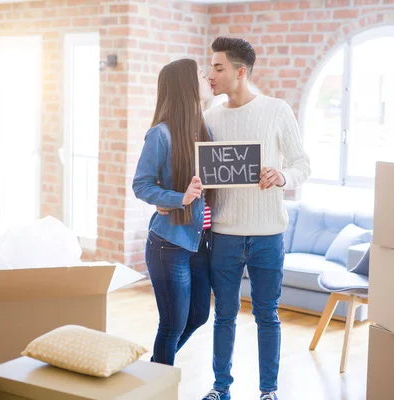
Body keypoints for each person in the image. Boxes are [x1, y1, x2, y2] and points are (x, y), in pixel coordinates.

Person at [200, 37, 311, 400]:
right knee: (225, 316)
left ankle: (268, 391)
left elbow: (301, 165)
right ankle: (221, 388)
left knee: (267, 315)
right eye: (210, 67)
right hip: (224, 234)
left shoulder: (277, 110)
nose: (210, 75)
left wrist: (282, 176)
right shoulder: (210, 117)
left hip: (267, 235)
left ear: (239, 71)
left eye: (218, 68)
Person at [132, 58, 215, 367]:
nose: (207, 77)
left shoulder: (205, 129)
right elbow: (141, 185)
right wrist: (179, 197)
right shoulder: (161, 135)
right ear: (185, 85)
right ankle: (160, 385)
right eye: (200, 74)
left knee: (199, 316)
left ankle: (154, 370)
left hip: (200, 243)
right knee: (172, 325)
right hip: (170, 243)